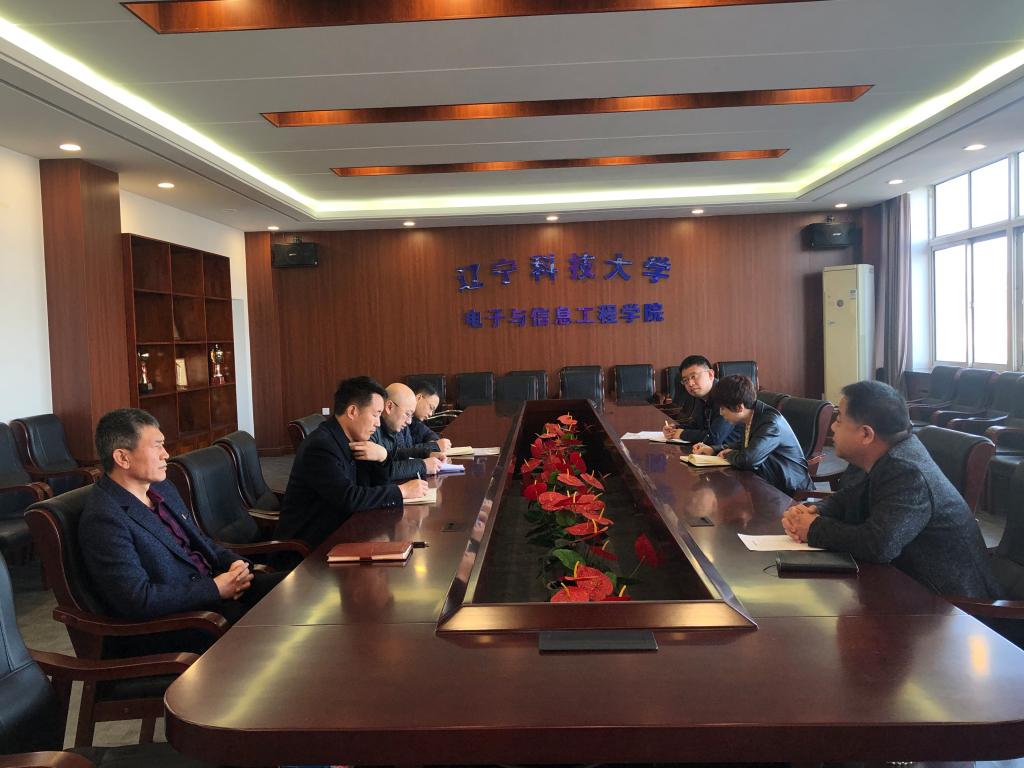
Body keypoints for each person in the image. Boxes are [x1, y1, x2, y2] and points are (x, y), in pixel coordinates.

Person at [79, 408, 284, 652]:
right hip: (181, 622)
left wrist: (235, 565)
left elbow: (200, 541)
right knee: (282, 632)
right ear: (123, 458)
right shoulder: (104, 518)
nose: (166, 454)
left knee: (294, 591)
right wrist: (215, 589)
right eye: (157, 446)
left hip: (215, 592)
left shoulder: (162, 488)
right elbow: (138, 599)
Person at [782, 380, 999, 598]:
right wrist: (815, 511)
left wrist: (814, 528)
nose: (833, 428)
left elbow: (879, 545)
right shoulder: (877, 455)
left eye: (839, 421)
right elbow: (848, 497)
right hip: (905, 584)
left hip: (950, 603)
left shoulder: (907, 471)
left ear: (866, 435)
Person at [275, 376, 428, 550]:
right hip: (310, 548)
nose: (378, 423)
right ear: (353, 411)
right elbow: (349, 498)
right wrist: (402, 491)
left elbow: (375, 485)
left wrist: (382, 458)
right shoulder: (321, 446)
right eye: (375, 415)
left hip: (343, 533)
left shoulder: (354, 440)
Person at [692, 374, 814, 495]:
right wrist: (714, 449)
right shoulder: (752, 414)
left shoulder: (770, 422)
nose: (721, 413)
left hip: (789, 490)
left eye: (723, 408)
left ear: (739, 407)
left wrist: (729, 454)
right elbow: (745, 444)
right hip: (767, 482)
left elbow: (749, 460)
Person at [661, 355, 743, 445]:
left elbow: (714, 438)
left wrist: (682, 434)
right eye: (685, 380)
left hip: (733, 451)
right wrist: (675, 429)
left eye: (693, 376)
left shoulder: (726, 395)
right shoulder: (701, 395)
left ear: (710, 374)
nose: (690, 384)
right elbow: (698, 426)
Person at [372, 382, 446, 480]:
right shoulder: (372, 430)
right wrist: (423, 465)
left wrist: (427, 453)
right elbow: (380, 473)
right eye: (407, 414)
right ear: (389, 407)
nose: (409, 421)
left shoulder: (391, 425)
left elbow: (397, 454)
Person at [408, 380, 452, 453]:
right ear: (418, 398)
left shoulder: (415, 420)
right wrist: (434, 446)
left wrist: (434, 441)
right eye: (431, 407)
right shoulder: (399, 418)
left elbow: (428, 433)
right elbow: (404, 451)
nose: (431, 414)